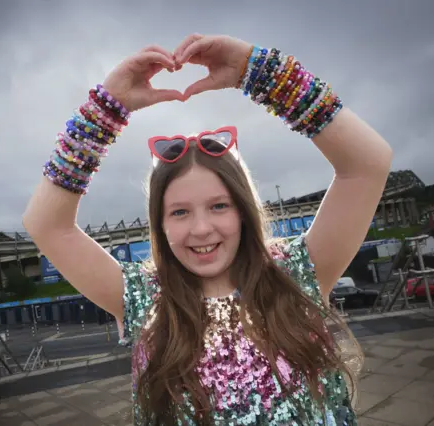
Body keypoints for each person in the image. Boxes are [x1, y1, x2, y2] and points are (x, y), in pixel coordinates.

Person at [23, 34, 392, 425]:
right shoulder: (143, 295)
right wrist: (106, 109)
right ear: (160, 225)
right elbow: (46, 225)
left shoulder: (296, 272)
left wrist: (259, 72)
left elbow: (367, 164)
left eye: (219, 206)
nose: (201, 229)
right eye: (179, 212)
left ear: (244, 210)